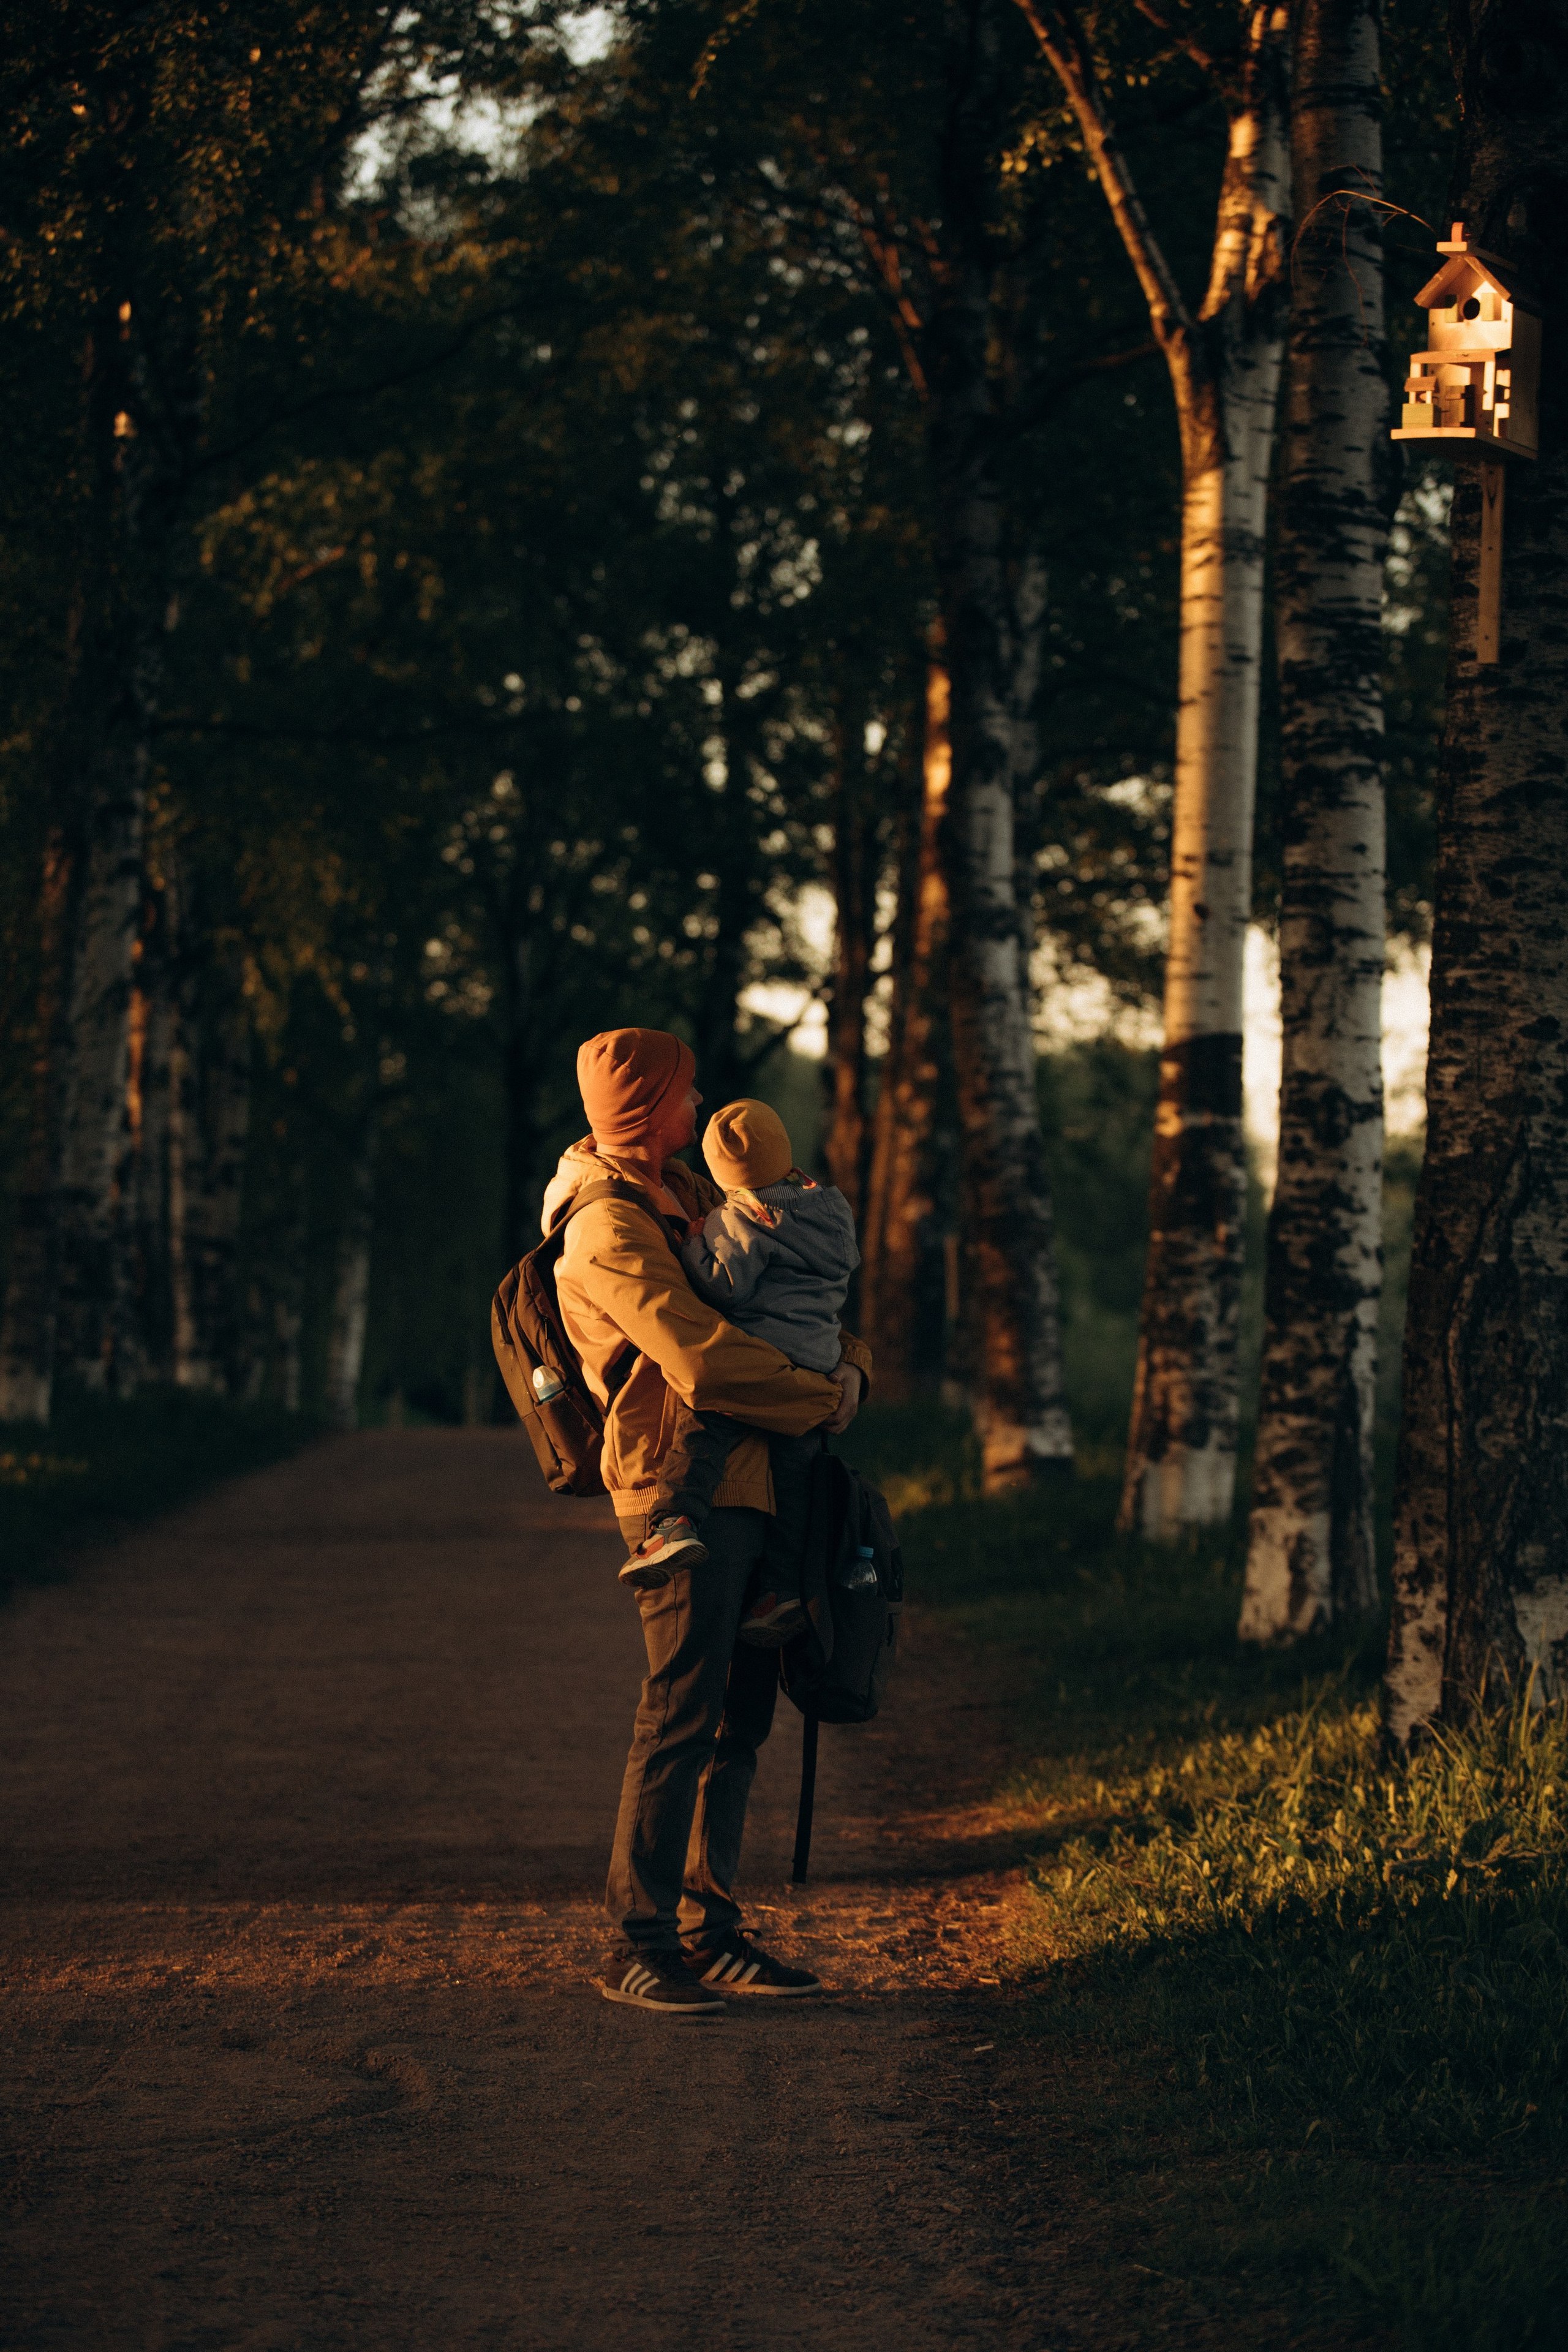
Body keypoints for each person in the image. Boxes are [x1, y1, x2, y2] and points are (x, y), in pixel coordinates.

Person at [540, 1027, 869, 2019]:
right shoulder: (604, 1227)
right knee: (681, 1709)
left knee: (742, 1717)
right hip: (675, 1491)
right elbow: (706, 1364)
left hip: (760, 1482)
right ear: (643, 1109)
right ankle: (638, 1942)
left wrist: (844, 1364)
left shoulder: (689, 1190)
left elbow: (795, 1296)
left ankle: (711, 1929)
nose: (699, 1107)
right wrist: (827, 1396)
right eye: (684, 1094)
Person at [614, 1097, 857, 1650]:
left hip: (762, 1360)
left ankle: (672, 1525)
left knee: (701, 1432)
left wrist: (697, 1239)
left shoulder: (742, 1217)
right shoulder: (830, 1206)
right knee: (796, 1487)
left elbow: (721, 1285)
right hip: (818, 1360)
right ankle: (779, 1593)